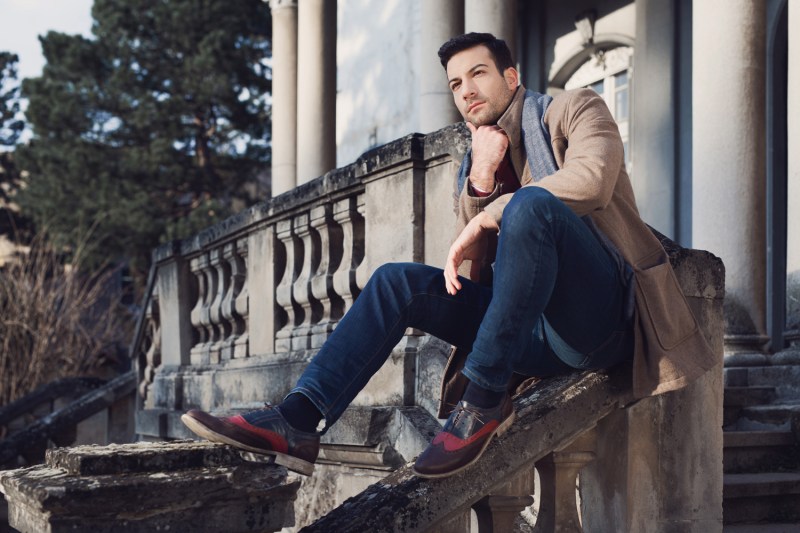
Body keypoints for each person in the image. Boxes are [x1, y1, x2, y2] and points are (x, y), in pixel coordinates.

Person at [181, 33, 715, 479]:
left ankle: (482, 401)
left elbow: (594, 179)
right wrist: (482, 178)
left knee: (533, 204)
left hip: (597, 318)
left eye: (478, 74)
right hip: (524, 328)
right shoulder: (476, 157)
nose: (466, 91)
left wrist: (496, 209)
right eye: (456, 84)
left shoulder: (574, 109)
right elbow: (475, 265)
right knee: (396, 282)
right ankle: (298, 419)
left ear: (511, 78)